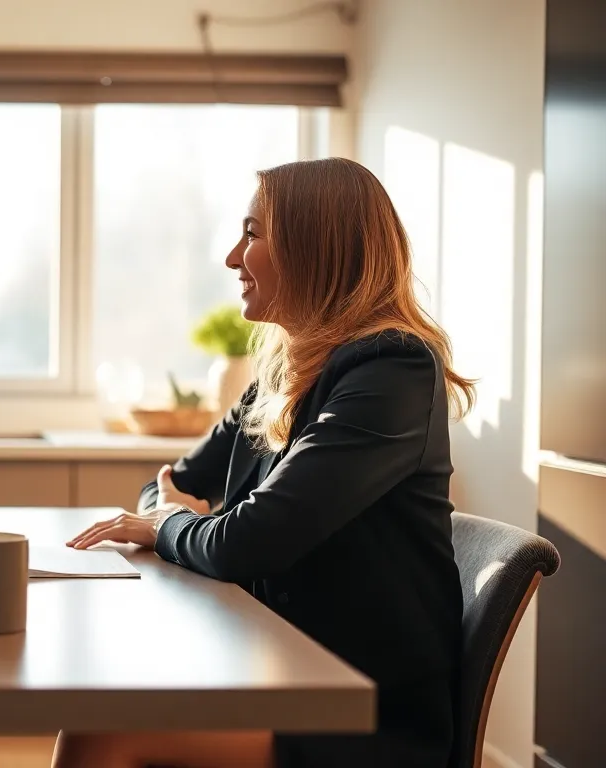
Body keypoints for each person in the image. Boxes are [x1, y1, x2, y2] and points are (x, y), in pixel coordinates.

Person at [56, 157, 476, 768]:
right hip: (272, 671)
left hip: (359, 714)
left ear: (313, 247)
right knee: (103, 708)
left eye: (252, 234)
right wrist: (170, 514)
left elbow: (245, 542)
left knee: (100, 733)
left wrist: (170, 524)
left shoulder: (393, 369)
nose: (233, 258)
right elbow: (169, 484)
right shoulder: (282, 372)